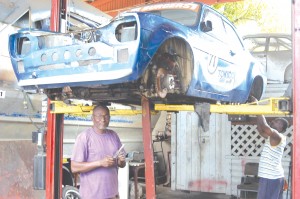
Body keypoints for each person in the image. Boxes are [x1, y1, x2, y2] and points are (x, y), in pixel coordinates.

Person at [71, 105, 126, 199]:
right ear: (92, 118)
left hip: (112, 194)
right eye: (99, 116)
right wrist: (100, 163)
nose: (103, 119)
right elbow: (74, 167)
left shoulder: (113, 135)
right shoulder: (84, 137)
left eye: (106, 116)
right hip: (92, 195)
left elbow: (121, 164)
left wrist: (121, 161)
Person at [250, 96, 289, 199]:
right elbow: (260, 129)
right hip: (272, 177)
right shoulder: (272, 137)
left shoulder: (277, 137)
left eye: (277, 121)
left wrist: (257, 105)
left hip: (271, 177)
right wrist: (255, 109)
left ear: (281, 128)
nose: (273, 121)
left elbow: (264, 126)